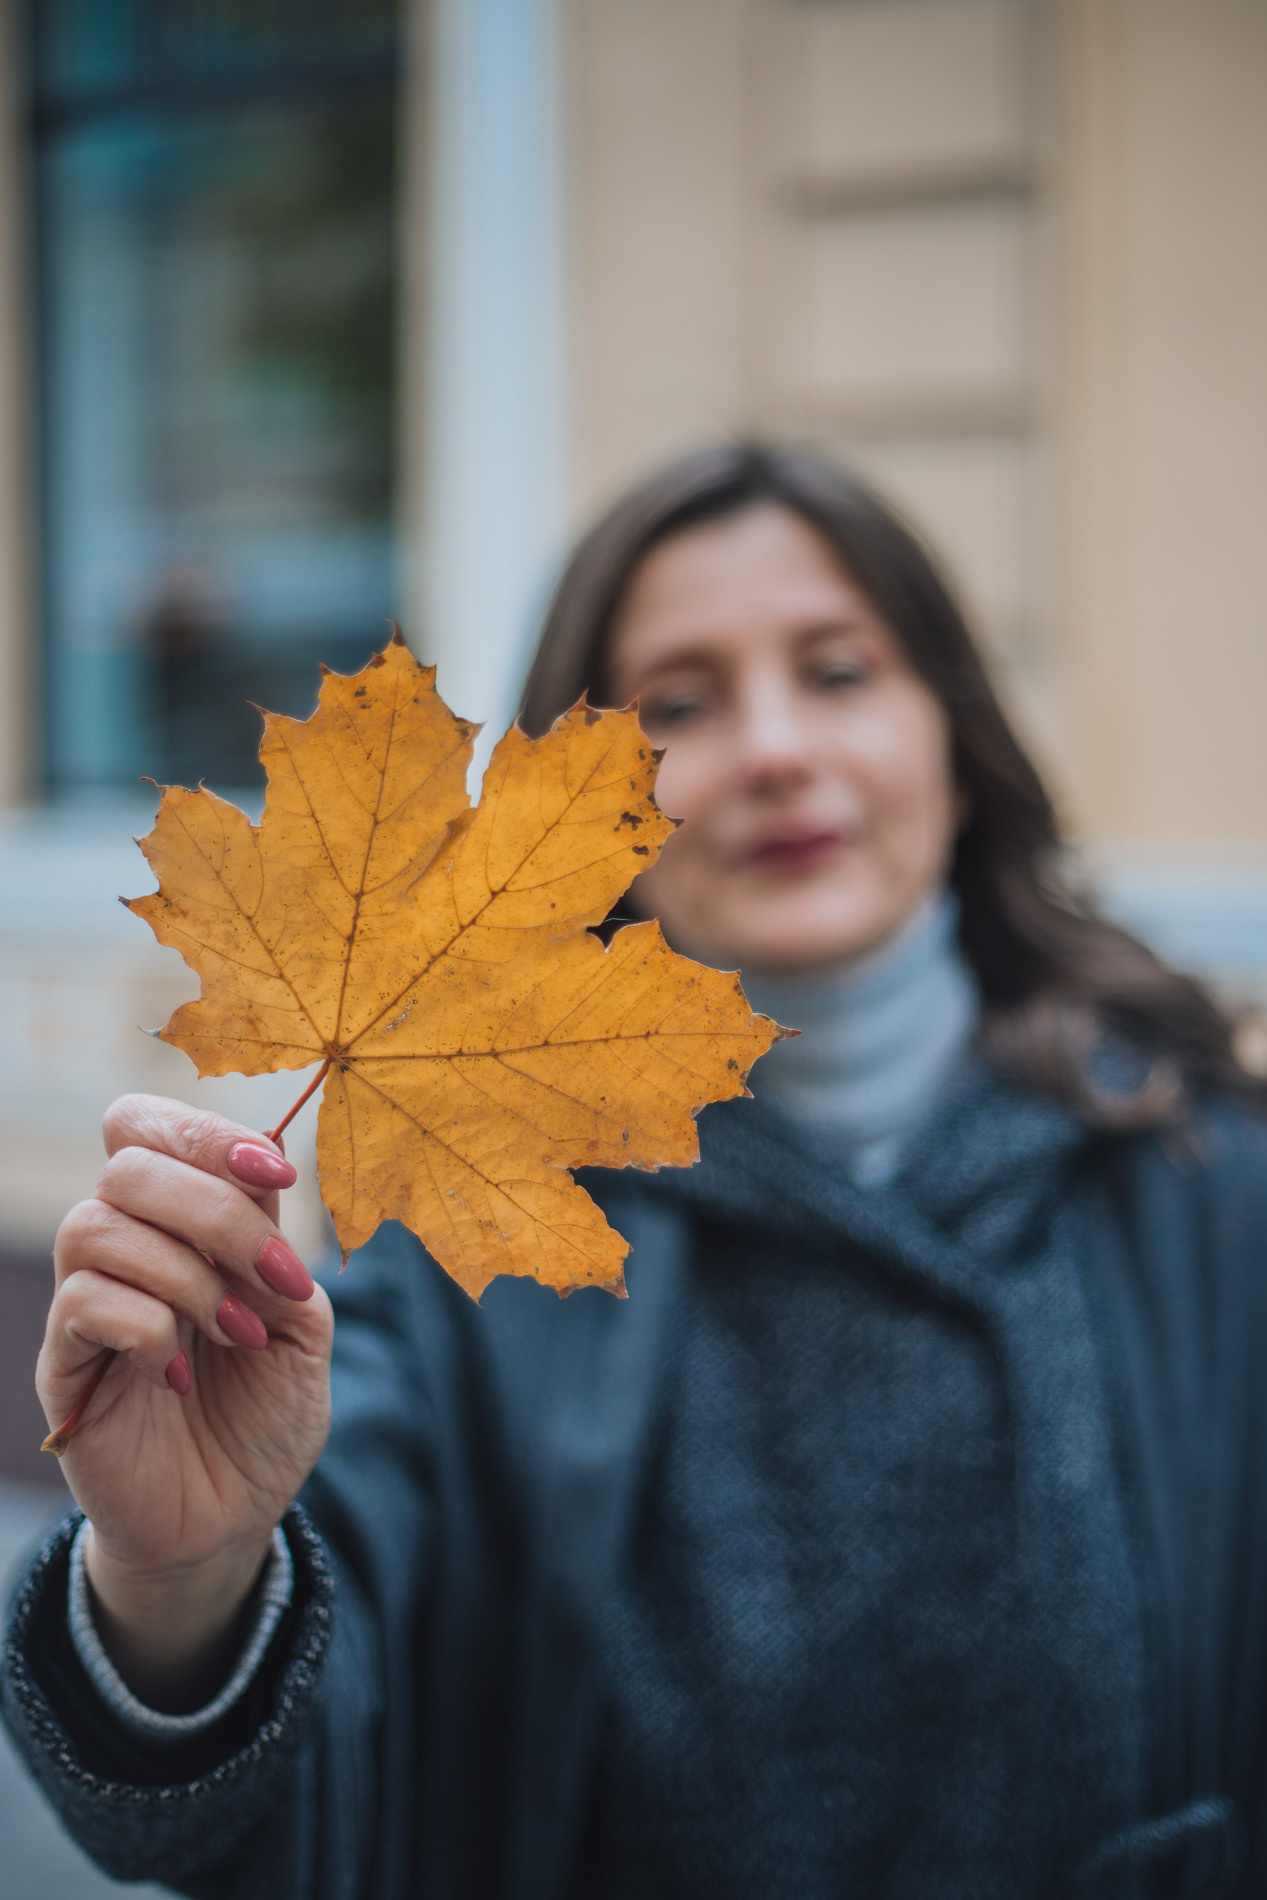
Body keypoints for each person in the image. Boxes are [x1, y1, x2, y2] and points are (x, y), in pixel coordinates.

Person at [4, 443, 1267, 1900]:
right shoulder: (480, 1233)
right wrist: (181, 1580)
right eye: (679, 704)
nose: (775, 749)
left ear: (954, 734)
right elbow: (298, 1764)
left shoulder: (1204, 1191)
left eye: (838, 671)